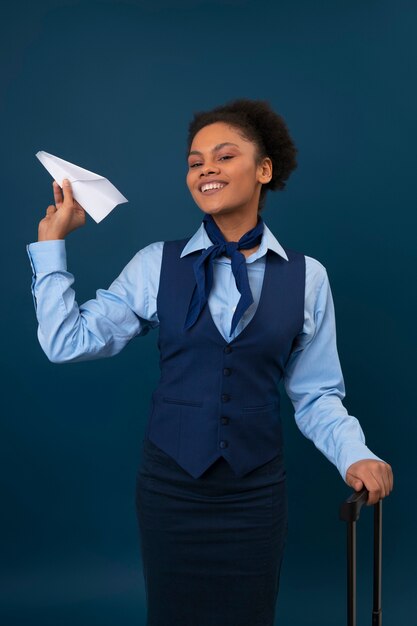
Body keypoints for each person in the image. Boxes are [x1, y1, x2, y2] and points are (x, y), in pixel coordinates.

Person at [27, 98, 393, 626]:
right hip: (170, 489)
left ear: (264, 170)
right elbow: (66, 341)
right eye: (196, 162)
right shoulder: (157, 264)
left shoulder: (308, 277)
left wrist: (354, 455)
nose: (207, 170)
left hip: (255, 494)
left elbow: (315, 395)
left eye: (224, 157)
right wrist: (50, 244)